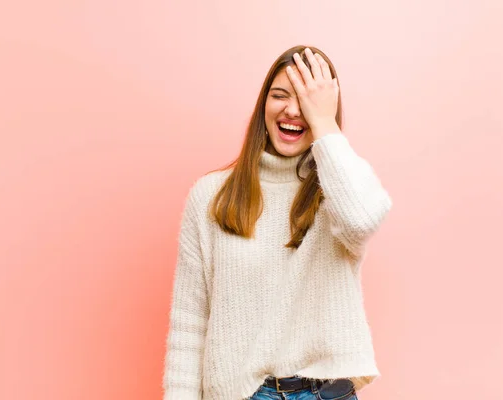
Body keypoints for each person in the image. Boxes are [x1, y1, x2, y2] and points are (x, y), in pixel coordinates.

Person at [162, 45, 393, 400]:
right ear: (263, 105)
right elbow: (190, 325)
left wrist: (325, 126)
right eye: (280, 95)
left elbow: (361, 220)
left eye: (306, 99)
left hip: (327, 393)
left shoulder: (341, 188)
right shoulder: (210, 196)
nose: (292, 109)